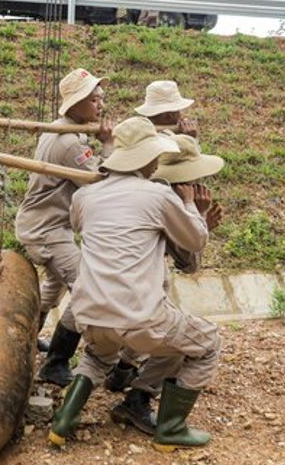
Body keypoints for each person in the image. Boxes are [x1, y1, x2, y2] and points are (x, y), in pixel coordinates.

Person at [49, 117, 222, 453]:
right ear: (146, 159)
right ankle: (170, 428)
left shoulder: (85, 196)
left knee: (98, 357)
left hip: (88, 314)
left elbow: (78, 222)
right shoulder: (158, 195)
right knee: (207, 343)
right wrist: (190, 207)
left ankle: (62, 422)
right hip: (139, 317)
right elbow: (196, 241)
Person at [104, 133, 225, 435]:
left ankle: (130, 389)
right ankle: (169, 426)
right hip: (137, 304)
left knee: (174, 340)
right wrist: (195, 217)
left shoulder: (147, 194)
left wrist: (196, 221)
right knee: (203, 341)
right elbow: (190, 265)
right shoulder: (165, 202)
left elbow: (187, 262)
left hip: (104, 301)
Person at [14, 68, 113, 387]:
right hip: (47, 229)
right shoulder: (69, 143)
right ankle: (56, 361)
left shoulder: (60, 129)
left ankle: (28, 338)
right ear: (76, 103)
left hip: (46, 223)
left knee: (53, 287)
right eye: (94, 99)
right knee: (88, 286)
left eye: (101, 98)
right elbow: (102, 181)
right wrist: (108, 145)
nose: (101, 105)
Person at [134, 80, 198, 138]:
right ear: (169, 115)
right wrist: (189, 138)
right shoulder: (163, 139)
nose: (180, 115)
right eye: (178, 111)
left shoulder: (134, 130)